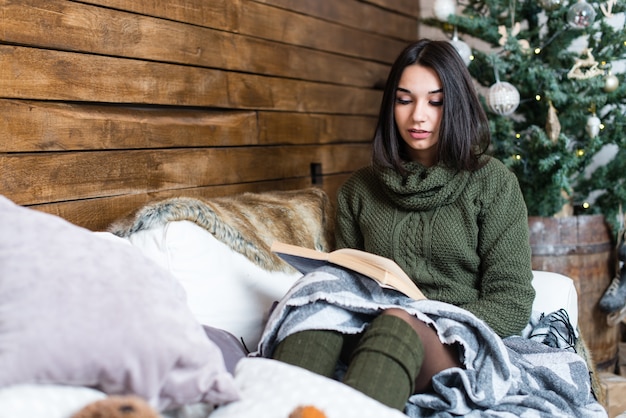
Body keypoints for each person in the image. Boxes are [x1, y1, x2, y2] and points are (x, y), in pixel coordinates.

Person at [257, 39, 536, 411]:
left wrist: (433, 316)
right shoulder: (359, 189)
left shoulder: (493, 182)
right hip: (371, 324)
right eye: (405, 100)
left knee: (398, 319)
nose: (418, 115)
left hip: (454, 338)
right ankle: (270, 408)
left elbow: (513, 301)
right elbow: (352, 281)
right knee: (321, 296)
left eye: (435, 102)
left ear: (456, 105)